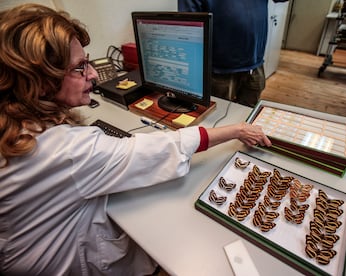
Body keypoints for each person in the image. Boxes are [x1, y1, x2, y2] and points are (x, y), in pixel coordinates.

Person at [0, 3, 271, 275]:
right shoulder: (66, 150)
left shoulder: (14, 124)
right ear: (41, 81)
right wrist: (235, 131)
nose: (93, 74)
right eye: (79, 67)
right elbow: (164, 148)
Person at [178, 0, 288, 107]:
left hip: (255, 65)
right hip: (218, 72)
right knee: (218, 117)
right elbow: (189, 29)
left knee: (247, 115)